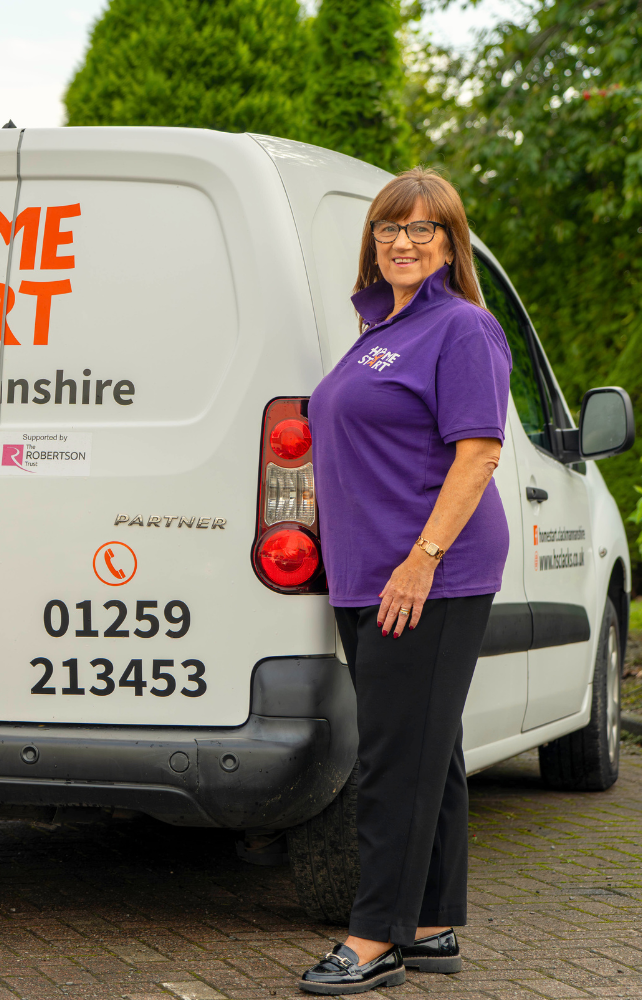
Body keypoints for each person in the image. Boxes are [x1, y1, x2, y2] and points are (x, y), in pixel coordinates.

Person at [298, 167, 512, 995]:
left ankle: (372, 938)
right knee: (430, 747)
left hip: (430, 574)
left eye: (424, 229)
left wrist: (420, 562)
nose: (404, 241)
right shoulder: (378, 328)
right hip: (367, 573)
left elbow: (479, 453)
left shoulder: (461, 329)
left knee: (392, 757)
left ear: (451, 243)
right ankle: (428, 923)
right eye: (391, 228)